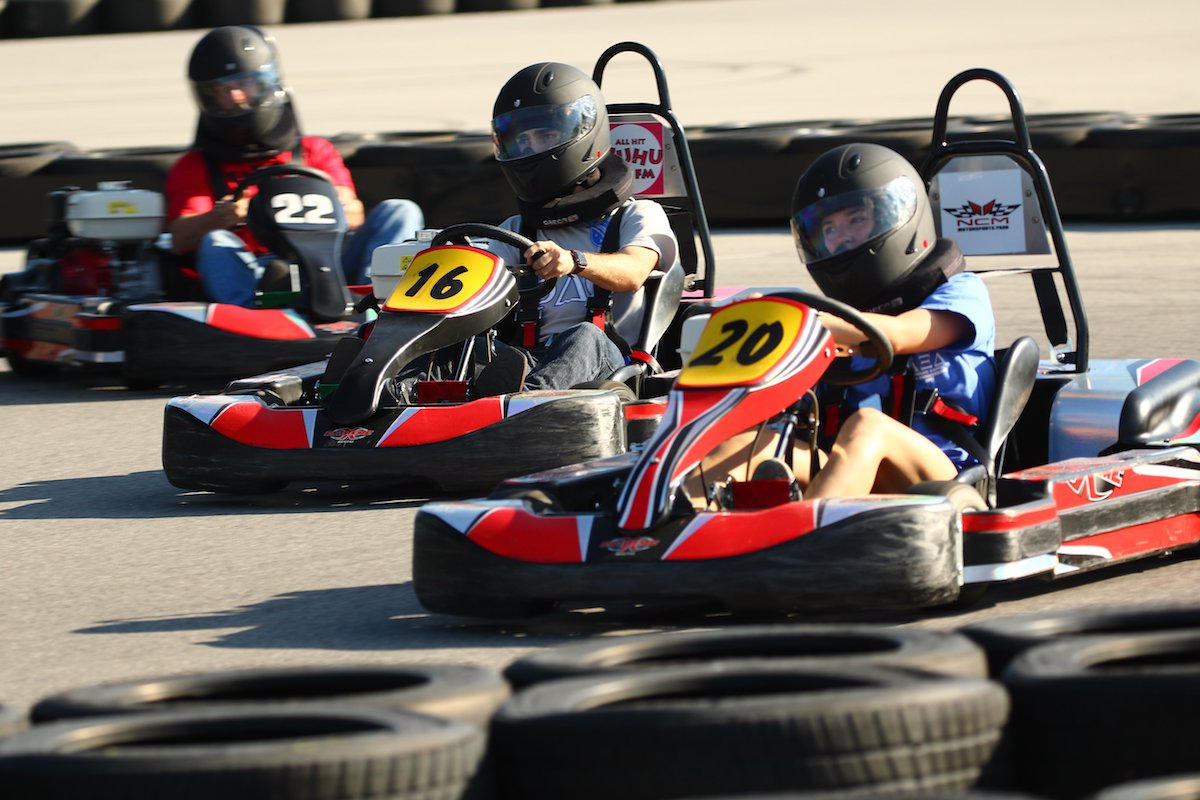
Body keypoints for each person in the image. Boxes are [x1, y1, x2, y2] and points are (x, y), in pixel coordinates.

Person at [698, 142, 996, 501]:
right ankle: (670, 535)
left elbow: (901, 335)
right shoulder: (833, 319)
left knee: (869, 428)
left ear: (899, 217)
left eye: (857, 219)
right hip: (850, 471)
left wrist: (803, 323)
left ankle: (799, 544)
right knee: (752, 443)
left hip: (946, 479)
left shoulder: (961, 291)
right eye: (830, 229)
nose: (842, 238)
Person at [165, 25, 423, 307]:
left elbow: (354, 214)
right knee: (215, 242)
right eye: (222, 90)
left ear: (267, 82)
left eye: (244, 85)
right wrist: (221, 217)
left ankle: (374, 303)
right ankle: (249, 319)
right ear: (207, 98)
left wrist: (329, 203)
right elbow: (180, 238)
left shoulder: (314, 150)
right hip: (258, 270)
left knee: (400, 211)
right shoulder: (195, 166)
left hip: (331, 262)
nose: (236, 97)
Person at [472, 60, 678, 394]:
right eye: (522, 140)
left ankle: (521, 404)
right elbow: (478, 299)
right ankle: (387, 399)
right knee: (470, 346)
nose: (530, 148)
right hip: (528, 359)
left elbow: (634, 272)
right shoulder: (514, 229)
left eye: (545, 136)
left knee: (584, 336)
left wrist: (574, 261)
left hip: (611, 367)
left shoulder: (638, 215)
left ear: (583, 134)